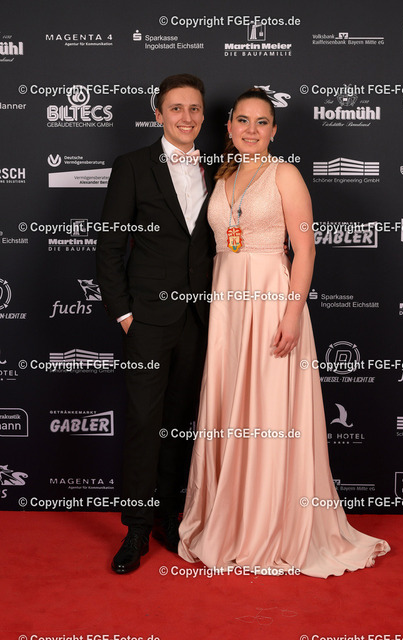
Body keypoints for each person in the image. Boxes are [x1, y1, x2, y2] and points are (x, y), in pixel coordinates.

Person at [178, 88, 390, 578]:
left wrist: (292, 315)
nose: (251, 130)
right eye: (243, 120)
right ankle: (231, 521)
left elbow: (305, 249)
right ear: (229, 127)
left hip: (272, 301)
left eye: (262, 122)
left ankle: (270, 525)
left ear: (274, 130)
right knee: (232, 405)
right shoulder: (222, 174)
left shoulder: (285, 174)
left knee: (270, 409)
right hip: (228, 307)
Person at [96, 73, 214, 574]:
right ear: (159, 113)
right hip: (147, 319)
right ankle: (137, 528)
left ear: (203, 115)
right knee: (145, 423)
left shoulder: (219, 169)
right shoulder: (132, 166)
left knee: (179, 423)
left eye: (194, 108)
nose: (187, 117)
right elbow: (109, 246)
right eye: (177, 108)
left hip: (200, 318)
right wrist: (125, 314)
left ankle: (169, 515)